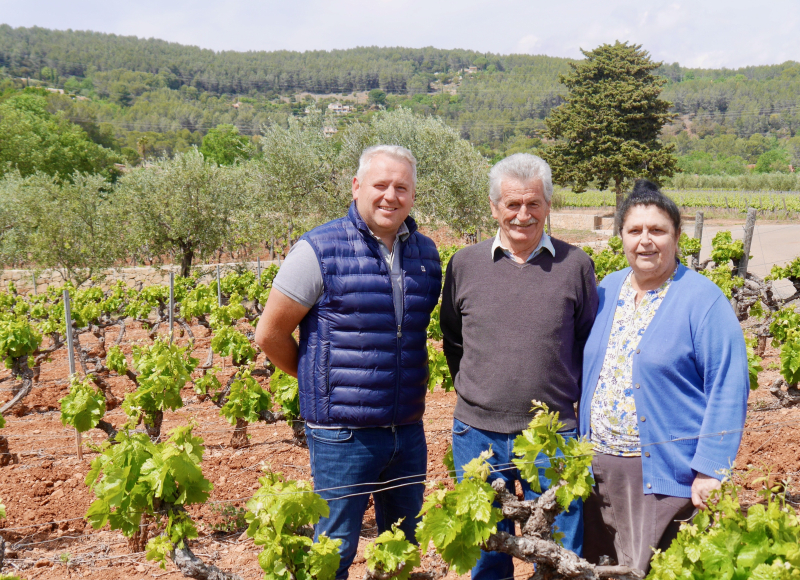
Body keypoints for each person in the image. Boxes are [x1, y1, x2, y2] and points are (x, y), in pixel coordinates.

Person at [254, 145, 442, 580]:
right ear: (357, 187)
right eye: (380, 185)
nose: (390, 196)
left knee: (403, 547)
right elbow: (269, 334)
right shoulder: (318, 249)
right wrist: (316, 379)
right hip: (342, 434)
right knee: (334, 550)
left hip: (407, 429)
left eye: (402, 187)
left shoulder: (427, 254)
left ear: (413, 194)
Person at [440, 153, 598, 580]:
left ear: (548, 206)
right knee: (487, 552)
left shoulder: (576, 265)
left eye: (533, 203)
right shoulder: (464, 264)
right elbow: (453, 339)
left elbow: (586, 340)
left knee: (559, 551)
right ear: (494, 207)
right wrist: (482, 392)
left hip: (553, 434)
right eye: (512, 204)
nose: (523, 215)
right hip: (476, 432)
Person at [580, 180, 749, 573]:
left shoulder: (703, 300)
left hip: (662, 477)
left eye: (657, 230)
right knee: (599, 567)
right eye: (634, 230)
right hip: (596, 471)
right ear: (621, 236)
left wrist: (710, 469)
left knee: (651, 569)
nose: (645, 241)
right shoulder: (607, 289)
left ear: (677, 236)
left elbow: (727, 386)